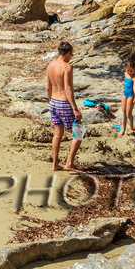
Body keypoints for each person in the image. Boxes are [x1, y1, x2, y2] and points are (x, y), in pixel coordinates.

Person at [46, 41, 81, 171]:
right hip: (64, 103)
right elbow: (67, 88)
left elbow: (48, 88)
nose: (71, 57)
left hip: (53, 102)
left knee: (57, 134)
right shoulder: (67, 67)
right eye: (71, 54)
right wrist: (75, 108)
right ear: (67, 54)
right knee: (78, 132)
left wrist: (51, 103)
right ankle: (69, 163)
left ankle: (55, 164)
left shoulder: (50, 65)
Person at [121, 58, 135, 136]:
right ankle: (123, 128)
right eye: (127, 70)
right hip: (124, 94)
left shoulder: (134, 78)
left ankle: (131, 128)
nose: (129, 72)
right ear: (125, 69)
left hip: (131, 95)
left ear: (134, 70)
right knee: (123, 112)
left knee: (128, 113)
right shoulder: (125, 74)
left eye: (131, 70)